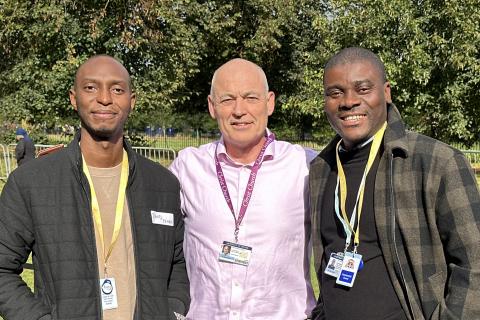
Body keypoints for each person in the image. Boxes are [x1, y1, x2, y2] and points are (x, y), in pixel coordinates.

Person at [0, 55, 189, 320]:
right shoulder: (31, 182)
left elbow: (178, 264)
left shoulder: (162, 184)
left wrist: (173, 310)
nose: (104, 98)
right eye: (91, 88)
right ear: (73, 98)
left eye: (117, 89)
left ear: (131, 101)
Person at [310, 47, 480, 319]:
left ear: (386, 92)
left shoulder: (436, 162)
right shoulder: (322, 168)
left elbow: (474, 265)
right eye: (335, 93)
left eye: (363, 89)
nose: (348, 101)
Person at [170, 58, 316, 319]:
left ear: (269, 102)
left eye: (250, 97)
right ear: (212, 107)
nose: (239, 110)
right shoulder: (187, 167)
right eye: (227, 100)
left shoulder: (304, 166)